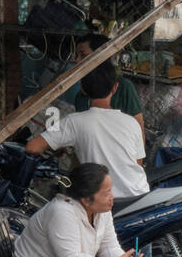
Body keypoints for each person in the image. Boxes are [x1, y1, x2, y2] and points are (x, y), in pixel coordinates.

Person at [25, 60, 149, 203]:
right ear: (115, 88)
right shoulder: (131, 122)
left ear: (82, 89)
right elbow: (138, 163)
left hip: (103, 203)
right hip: (139, 197)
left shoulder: (74, 121)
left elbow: (32, 147)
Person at [69, 34, 145, 139]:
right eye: (76, 56)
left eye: (83, 55)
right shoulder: (81, 96)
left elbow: (139, 132)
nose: (77, 61)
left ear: (100, 56)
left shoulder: (124, 87)